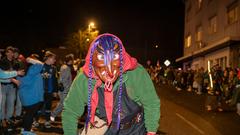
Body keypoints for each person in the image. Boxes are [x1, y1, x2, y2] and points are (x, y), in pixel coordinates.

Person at [62, 33, 160, 135]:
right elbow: (70, 111)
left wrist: (151, 130)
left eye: (115, 56)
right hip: (105, 126)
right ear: (92, 58)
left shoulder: (135, 73)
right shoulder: (84, 80)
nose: (109, 70)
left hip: (135, 128)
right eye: (101, 56)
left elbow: (151, 102)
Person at [17, 57, 44, 134]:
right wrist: (32, 60)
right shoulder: (32, 69)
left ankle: (24, 129)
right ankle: (26, 131)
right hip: (33, 97)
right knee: (30, 114)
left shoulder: (19, 72)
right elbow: (41, 64)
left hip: (25, 98)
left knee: (27, 113)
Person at [50, 54, 73, 122]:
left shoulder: (65, 67)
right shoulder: (66, 68)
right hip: (64, 89)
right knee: (62, 104)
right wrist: (66, 89)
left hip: (64, 89)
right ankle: (53, 114)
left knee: (65, 104)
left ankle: (65, 116)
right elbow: (63, 80)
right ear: (70, 60)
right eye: (72, 59)